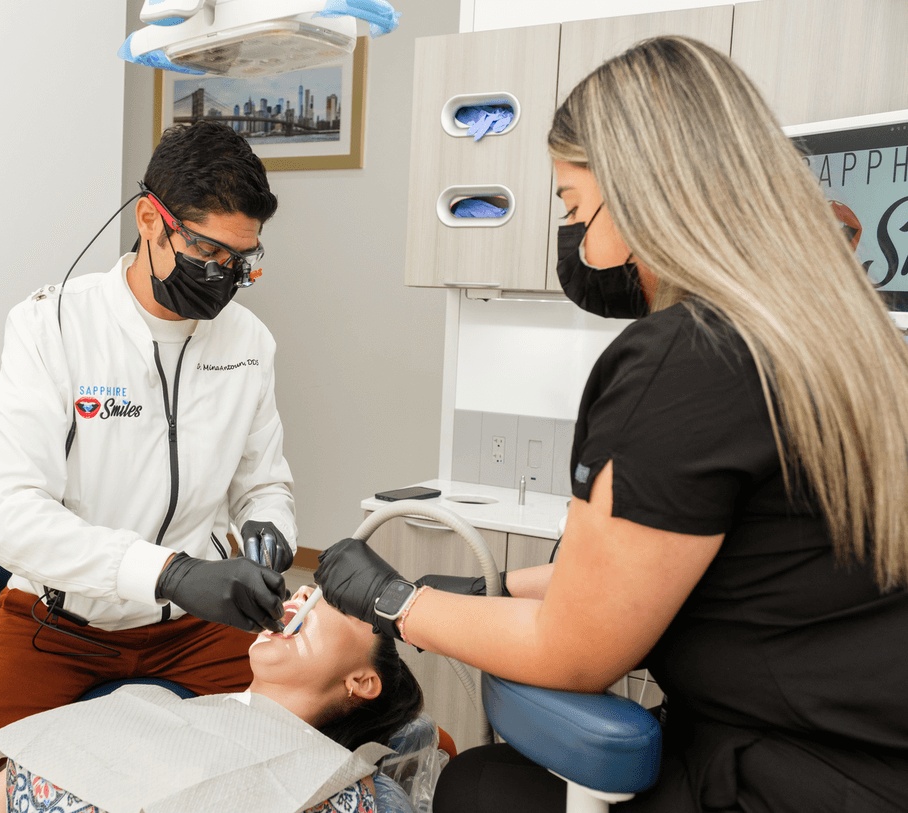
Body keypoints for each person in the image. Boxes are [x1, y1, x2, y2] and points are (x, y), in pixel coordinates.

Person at [314, 36, 908, 813]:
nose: (579, 242)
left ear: (637, 191)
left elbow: (578, 649)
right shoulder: (838, 333)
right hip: (867, 750)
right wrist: (488, 586)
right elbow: (685, 565)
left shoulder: (685, 358)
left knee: (478, 788)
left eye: (572, 207)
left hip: (795, 772)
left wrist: (397, 601)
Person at [0, 121, 300, 811]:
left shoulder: (250, 342)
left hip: (196, 634)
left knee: (390, 740)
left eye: (243, 258)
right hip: (55, 628)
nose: (225, 274)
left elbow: (264, 481)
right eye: (207, 250)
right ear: (150, 220)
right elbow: (6, 514)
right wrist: (169, 572)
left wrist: (268, 528)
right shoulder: (53, 327)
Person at [0, 586, 424, 813]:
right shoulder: (133, 707)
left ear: (363, 682)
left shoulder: (343, 795)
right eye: (309, 588)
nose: (304, 595)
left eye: (341, 602)